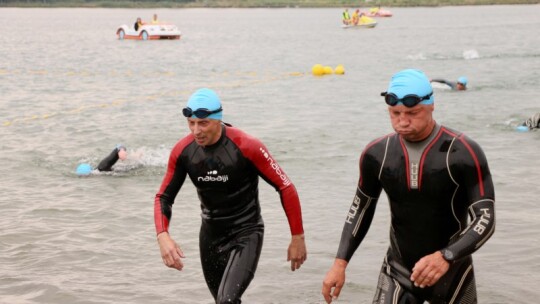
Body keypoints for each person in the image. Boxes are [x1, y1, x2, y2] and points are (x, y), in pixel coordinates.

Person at [322, 69, 495, 304]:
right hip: (398, 271)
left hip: (452, 271)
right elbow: (360, 210)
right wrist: (339, 264)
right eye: (395, 113)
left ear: (431, 106)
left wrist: (447, 256)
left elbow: (485, 219)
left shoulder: (463, 151)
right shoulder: (377, 154)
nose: (402, 121)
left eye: (412, 113)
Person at [154, 88, 307, 303]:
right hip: (210, 236)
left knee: (226, 301)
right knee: (223, 301)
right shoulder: (183, 151)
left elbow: (285, 187)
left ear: (218, 119)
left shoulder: (247, 146)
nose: (196, 131)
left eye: (203, 123)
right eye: (191, 123)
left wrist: (297, 236)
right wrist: (163, 235)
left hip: (246, 232)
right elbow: (163, 197)